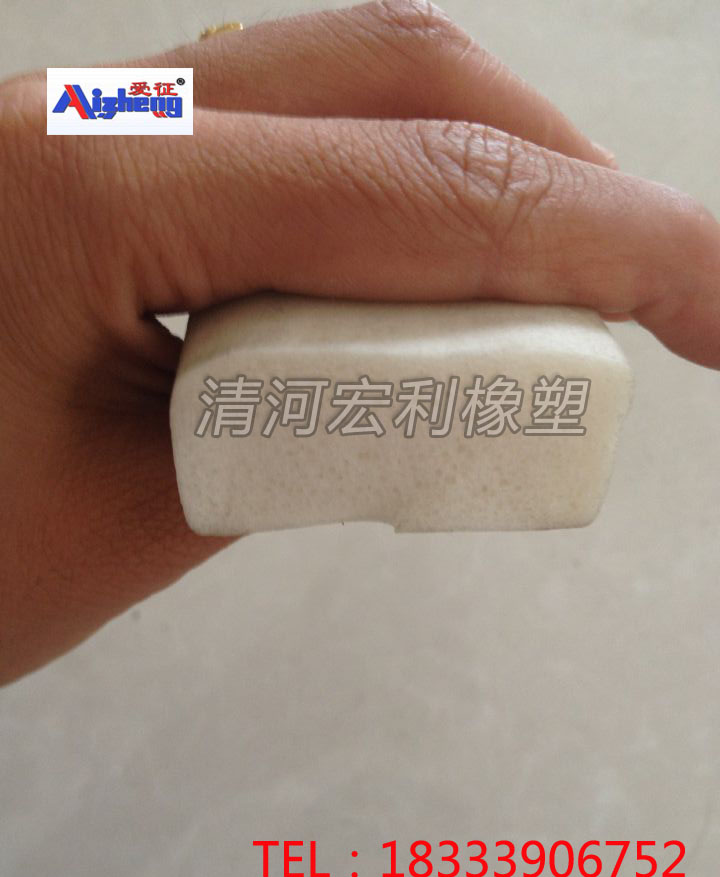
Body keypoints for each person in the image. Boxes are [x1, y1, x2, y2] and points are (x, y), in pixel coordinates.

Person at [1, 0, 718, 685]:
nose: (75, 104)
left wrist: (61, 104)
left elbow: (50, 114)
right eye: (84, 100)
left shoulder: (59, 109)